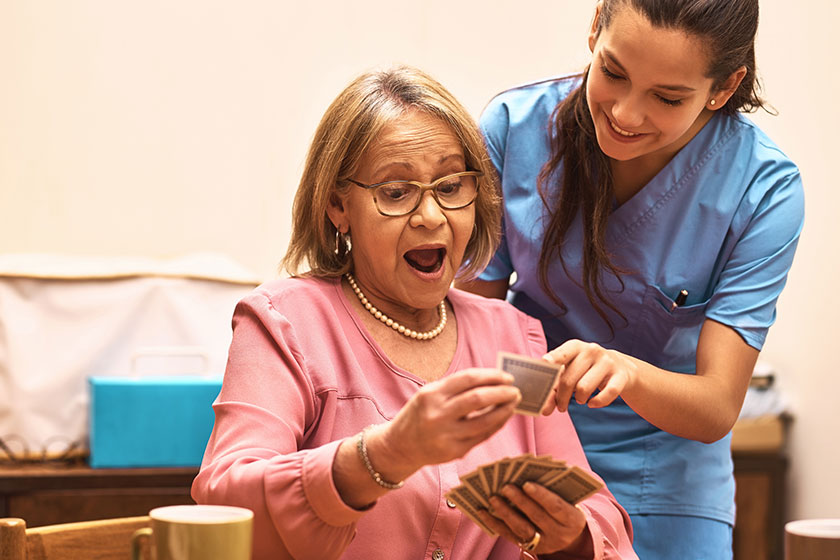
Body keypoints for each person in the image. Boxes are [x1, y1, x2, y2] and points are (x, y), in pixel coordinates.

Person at [191, 65, 636, 560]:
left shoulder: (514, 339)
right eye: (396, 192)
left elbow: (596, 514)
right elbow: (226, 499)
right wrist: (384, 454)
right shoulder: (283, 322)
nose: (430, 216)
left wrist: (569, 539)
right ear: (339, 206)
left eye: (450, 186)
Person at [457, 1, 804, 558]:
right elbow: (464, 346)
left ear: (724, 86)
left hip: (668, 479)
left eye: (667, 98)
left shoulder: (762, 189)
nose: (624, 112)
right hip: (527, 446)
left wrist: (624, 372)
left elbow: (716, 406)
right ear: (595, 27)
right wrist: (531, 438)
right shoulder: (512, 130)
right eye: (613, 72)